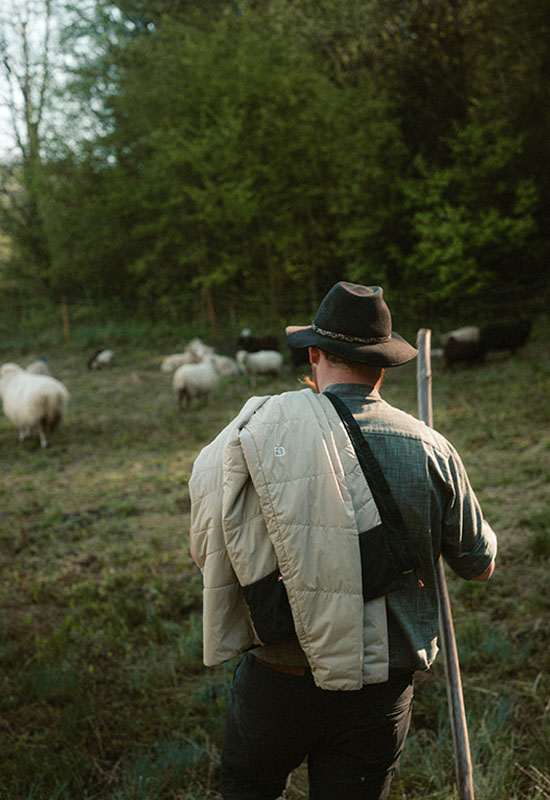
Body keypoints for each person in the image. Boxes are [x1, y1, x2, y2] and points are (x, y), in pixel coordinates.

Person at [189, 281, 497, 800]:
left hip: (278, 678)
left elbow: (210, 547)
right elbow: (479, 564)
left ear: (314, 355)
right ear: (383, 364)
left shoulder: (257, 438)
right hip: (379, 688)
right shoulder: (431, 447)